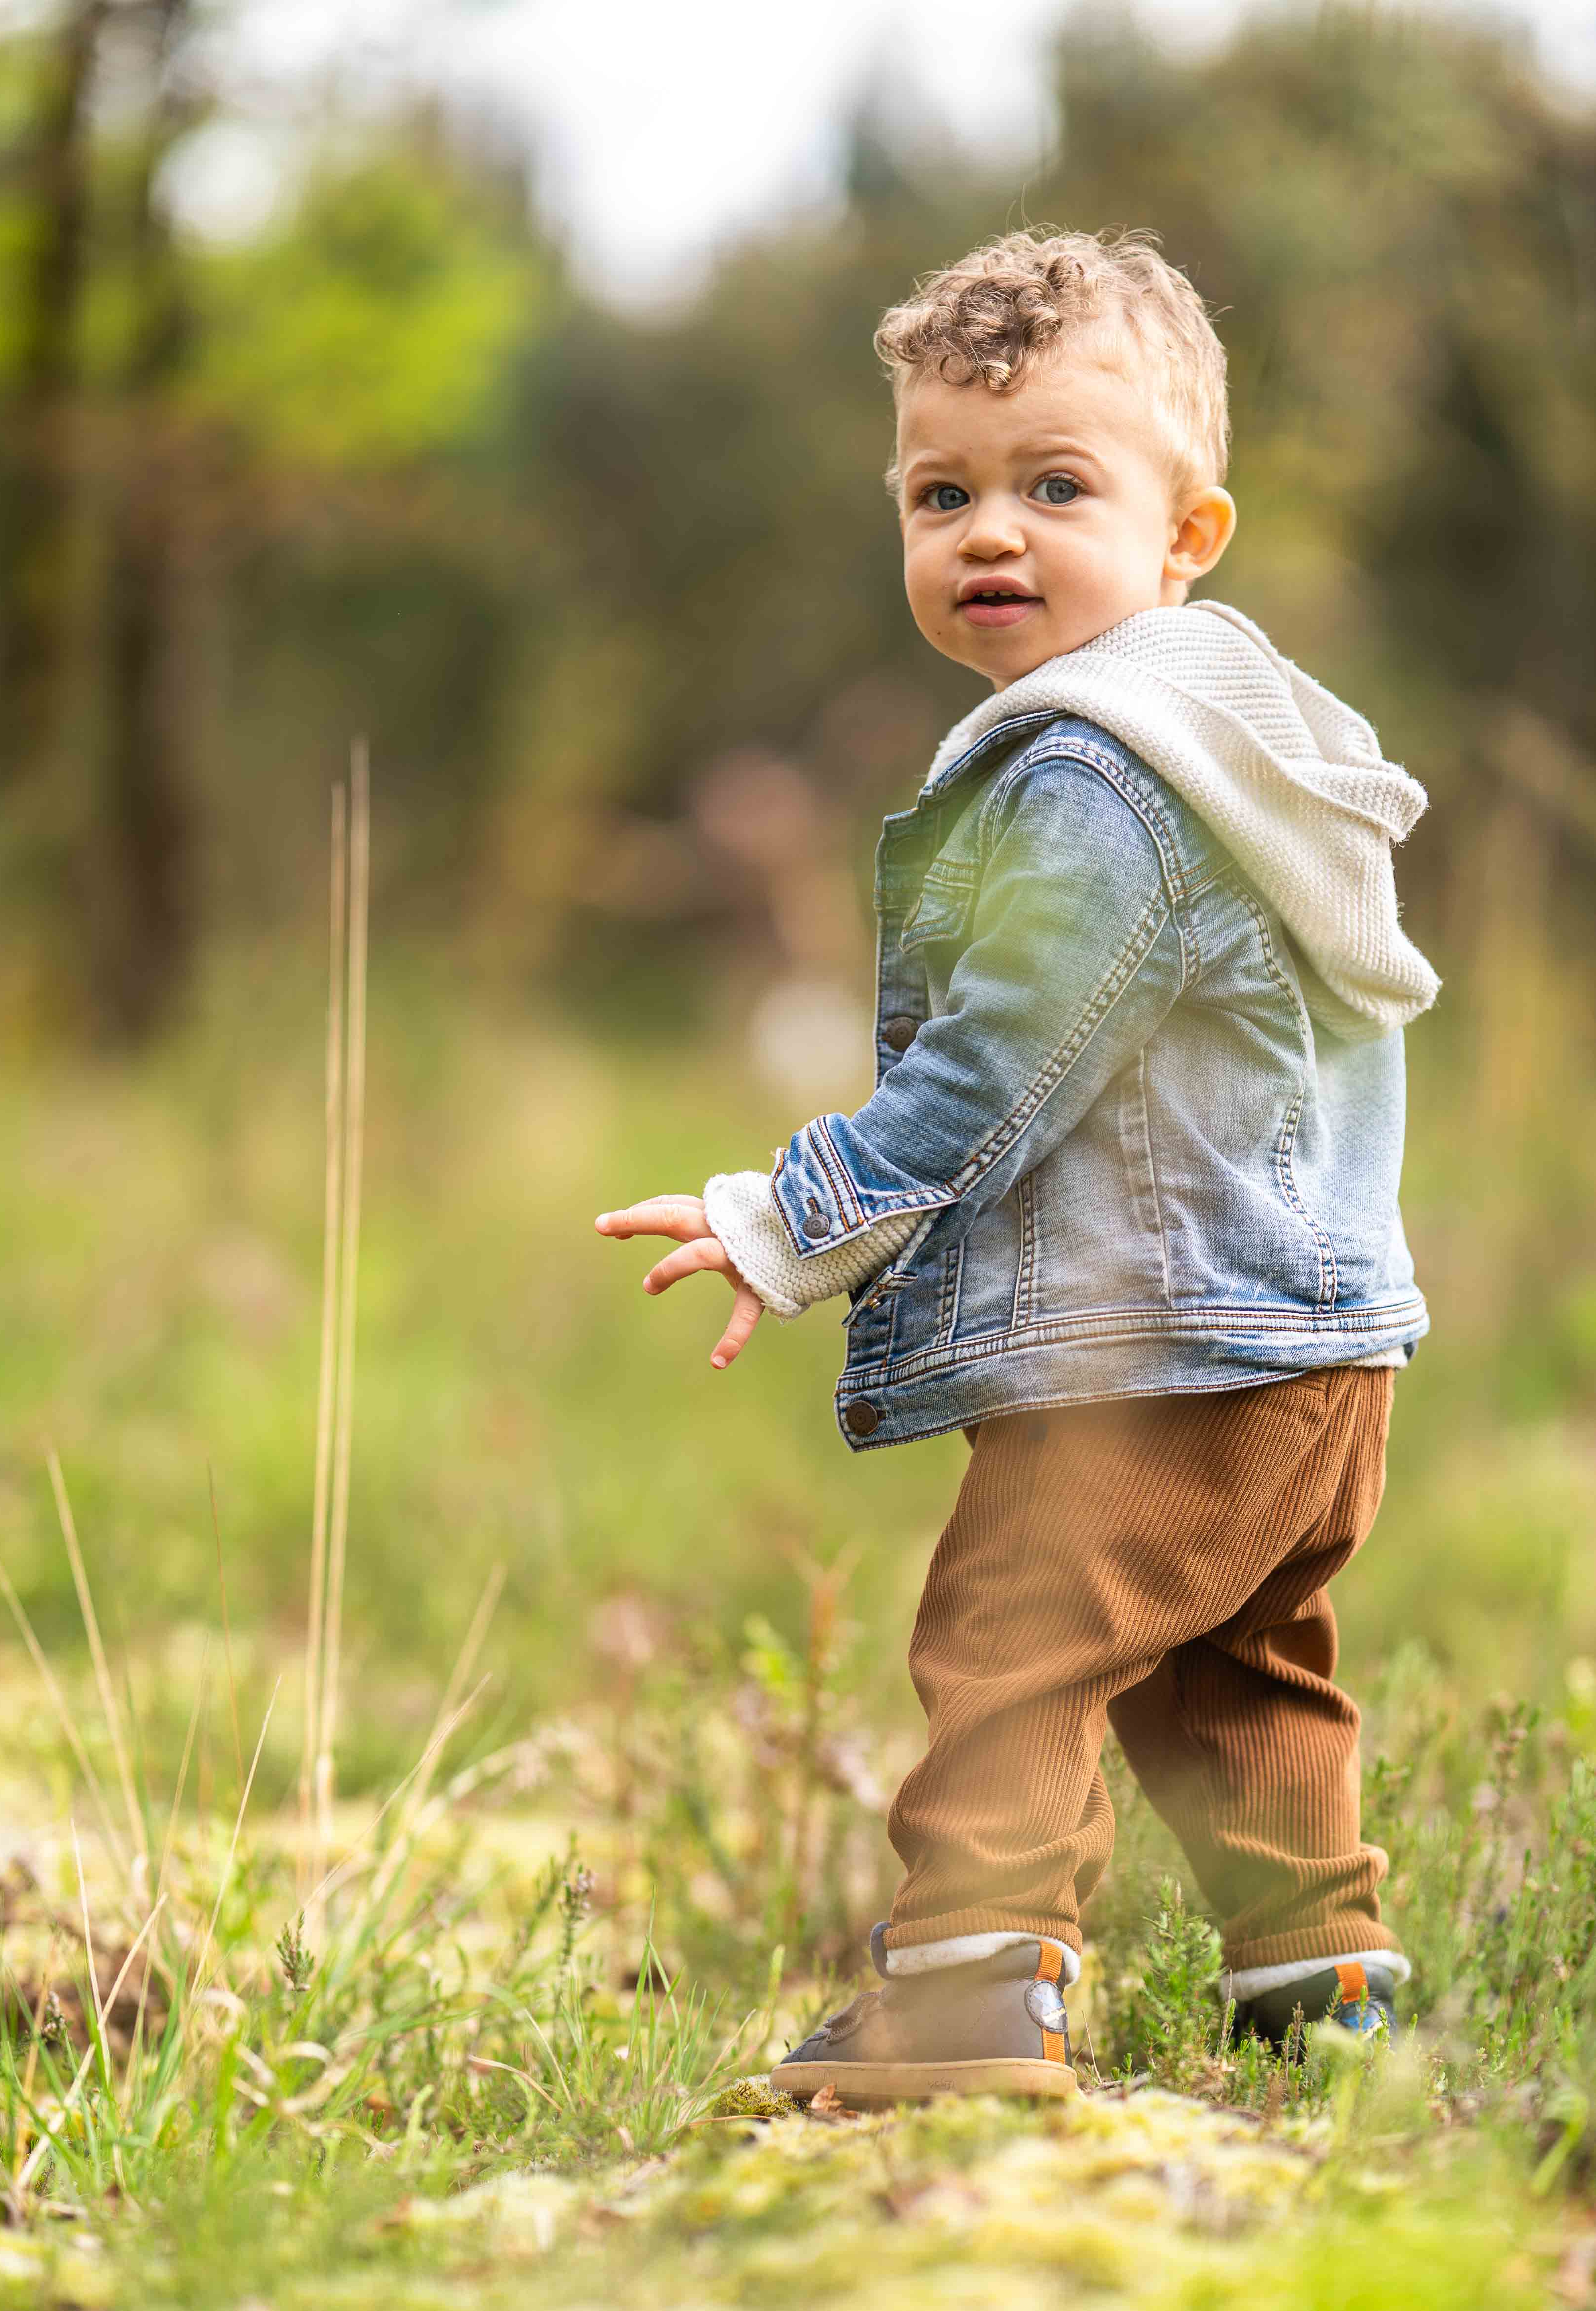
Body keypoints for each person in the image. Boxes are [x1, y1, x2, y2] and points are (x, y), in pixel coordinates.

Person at [596, 229, 1435, 2104]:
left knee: (1012, 1639)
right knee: (1232, 1667)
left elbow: (1000, 1068)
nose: (990, 530)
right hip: (1303, 1340)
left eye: (1057, 485)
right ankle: (1324, 1991)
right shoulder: (1237, 744)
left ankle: (973, 1994)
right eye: (940, 491)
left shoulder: (1096, 775)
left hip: (1152, 1345)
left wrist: (783, 1215)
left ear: (1186, 531)